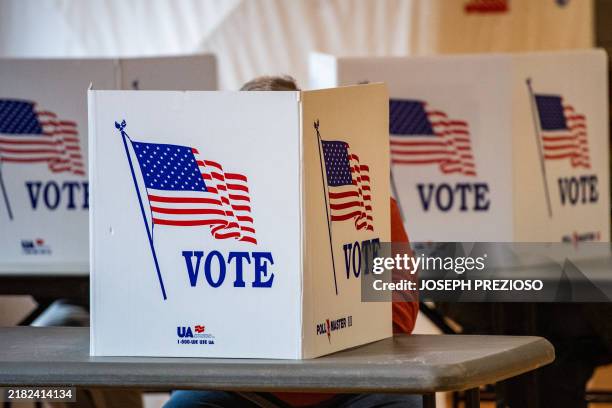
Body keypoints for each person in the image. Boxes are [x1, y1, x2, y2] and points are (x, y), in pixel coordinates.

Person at [164, 76, 420, 408]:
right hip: (238, 386)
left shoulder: (371, 206)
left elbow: (399, 314)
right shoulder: (206, 210)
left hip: (351, 384)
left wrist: (335, 319)